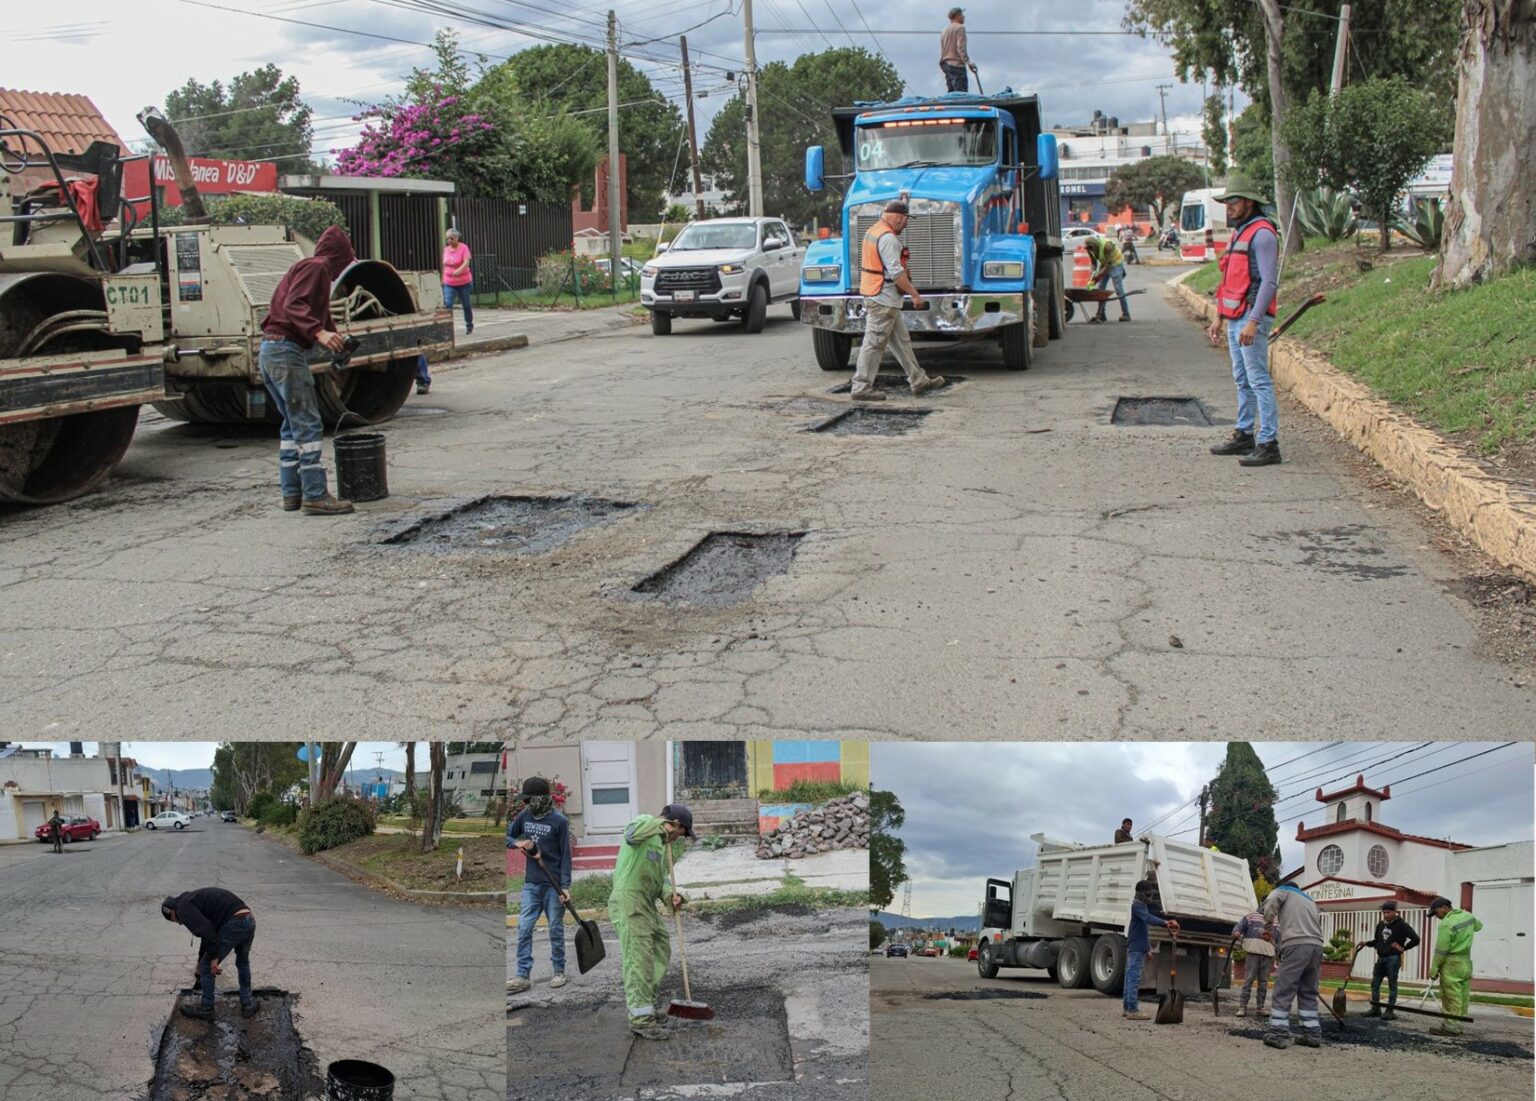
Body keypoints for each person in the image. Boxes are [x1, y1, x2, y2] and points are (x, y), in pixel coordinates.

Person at [259, 224, 355, 516]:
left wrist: (336, 339)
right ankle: (315, 494)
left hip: (272, 350)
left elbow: (319, 316)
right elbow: (295, 305)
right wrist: (319, 333)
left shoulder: (314, 271)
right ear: (339, 257)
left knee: (291, 424)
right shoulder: (317, 268)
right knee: (308, 422)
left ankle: (292, 493)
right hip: (286, 352)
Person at [1205, 175, 1282, 467]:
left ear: (1249, 202)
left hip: (1250, 318)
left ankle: (1269, 443)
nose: (1229, 207)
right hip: (1236, 317)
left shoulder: (1262, 235)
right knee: (1242, 379)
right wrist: (1219, 317)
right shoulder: (1241, 232)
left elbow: (1268, 282)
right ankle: (1245, 434)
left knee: (1258, 379)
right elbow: (1229, 279)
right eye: (1226, 202)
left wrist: (1254, 321)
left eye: (1233, 201)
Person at [610, 804, 695, 1041]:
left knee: (660, 948)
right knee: (639, 960)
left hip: (645, 904)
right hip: (628, 901)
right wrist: (661, 825)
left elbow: (661, 882)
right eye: (682, 832)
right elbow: (631, 835)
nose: (680, 838)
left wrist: (671, 896)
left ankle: (646, 1004)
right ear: (675, 825)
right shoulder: (645, 823)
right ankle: (640, 1019)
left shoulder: (660, 846)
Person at [851, 201, 948, 402]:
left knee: (901, 342)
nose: (906, 224)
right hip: (883, 298)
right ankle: (861, 387)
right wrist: (914, 294)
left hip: (879, 295)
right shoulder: (888, 238)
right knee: (874, 342)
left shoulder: (874, 230)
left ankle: (918, 380)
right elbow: (896, 273)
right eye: (905, 220)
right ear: (898, 217)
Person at [507, 777, 573, 995]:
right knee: (524, 927)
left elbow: (566, 857)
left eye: (528, 799)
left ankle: (559, 971)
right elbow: (507, 835)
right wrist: (516, 842)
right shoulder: (525, 816)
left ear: (540, 798)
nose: (525, 803)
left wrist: (565, 886)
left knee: (555, 929)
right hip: (532, 885)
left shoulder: (559, 821)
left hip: (553, 886)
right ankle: (522, 975)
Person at [161, 887, 258, 1020]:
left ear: (171, 912)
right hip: (248, 919)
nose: (179, 923)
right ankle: (247, 1004)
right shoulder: (191, 900)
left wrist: (213, 957)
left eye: (174, 920)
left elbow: (206, 930)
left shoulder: (182, 909)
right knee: (243, 962)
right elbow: (206, 934)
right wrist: (200, 960)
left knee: (207, 968)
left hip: (234, 922)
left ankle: (207, 1008)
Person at [1260, 883, 1324, 1048]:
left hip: (1297, 944)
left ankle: (1277, 1034)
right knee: (1308, 991)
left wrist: (1267, 926)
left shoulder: (1284, 890)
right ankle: (1312, 1034)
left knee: (1284, 989)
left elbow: (1270, 901)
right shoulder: (1309, 901)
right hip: (1316, 946)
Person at [1123, 879, 1179, 1020]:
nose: (1150, 897)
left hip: (1137, 946)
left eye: (1150, 894)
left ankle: (1127, 1008)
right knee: (1133, 979)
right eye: (1147, 894)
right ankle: (1132, 1010)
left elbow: (1142, 931)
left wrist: (1147, 949)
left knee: (1130, 978)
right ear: (1140, 894)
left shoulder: (1142, 906)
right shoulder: (1137, 906)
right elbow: (1148, 919)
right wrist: (1166, 922)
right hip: (1136, 948)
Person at [1427, 895, 1482, 1036]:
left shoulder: (1446, 924)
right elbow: (1479, 926)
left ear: (1445, 907)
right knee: (1463, 996)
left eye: (1436, 912)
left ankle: (1450, 1027)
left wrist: (1434, 969)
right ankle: (1458, 1024)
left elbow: (1441, 950)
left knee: (1450, 996)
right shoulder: (1468, 916)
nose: (1437, 916)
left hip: (1451, 963)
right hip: (1466, 962)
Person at [1361, 901, 1420, 1020]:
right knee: (1375, 984)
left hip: (1393, 959)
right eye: (1384, 912)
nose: (1386, 915)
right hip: (1381, 958)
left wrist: (1403, 948)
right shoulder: (1380, 925)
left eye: (1388, 912)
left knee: (1392, 985)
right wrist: (1366, 943)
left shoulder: (1402, 925)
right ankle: (1376, 1008)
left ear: (1395, 912)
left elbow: (1416, 939)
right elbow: (1377, 941)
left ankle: (1389, 1011)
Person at [1230, 907, 1275, 1018]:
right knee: (1248, 980)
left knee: (1263, 983)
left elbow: (1279, 936)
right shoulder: (1252, 916)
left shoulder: (1276, 919)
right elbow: (1240, 925)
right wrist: (1236, 932)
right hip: (1253, 953)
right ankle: (1242, 1007)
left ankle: (1260, 1008)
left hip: (1268, 954)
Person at [1083, 235, 1129, 323]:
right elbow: (1093, 263)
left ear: (1094, 245)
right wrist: (1092, 274)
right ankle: (1101, 315)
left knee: (1118, 289)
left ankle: (1126, 314)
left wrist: (1098, 275)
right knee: (1101, 290)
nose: (1090, 250)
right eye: (1088, 248)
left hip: (1115, 263)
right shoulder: (1089, 249)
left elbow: (1108, 264)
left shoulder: (1107, 246)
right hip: (1104, 264)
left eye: (1091, 248)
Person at [442, 228, 474, 336]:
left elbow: (466, 262)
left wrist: (459, 270)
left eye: (451, 238)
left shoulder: (463, 247)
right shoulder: (446, 250)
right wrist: (443, 279)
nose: (449, 241)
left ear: (457, 237)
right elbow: (445, 265)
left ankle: (469, 325)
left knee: (466, 305)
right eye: (447, 239)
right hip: (449, 282)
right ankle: (447, 328)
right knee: (448, 304)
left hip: (464, 282)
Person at [939, 8, 976, 93]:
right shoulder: (960, 28)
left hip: (946, 65)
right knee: (961, 93)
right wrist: (968, 62)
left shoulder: (944, 31)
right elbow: (961, 48)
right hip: (957, 65)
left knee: (952, 94)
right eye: (962, 15)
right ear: (957, 16)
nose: (964, 17)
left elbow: (942, 50)